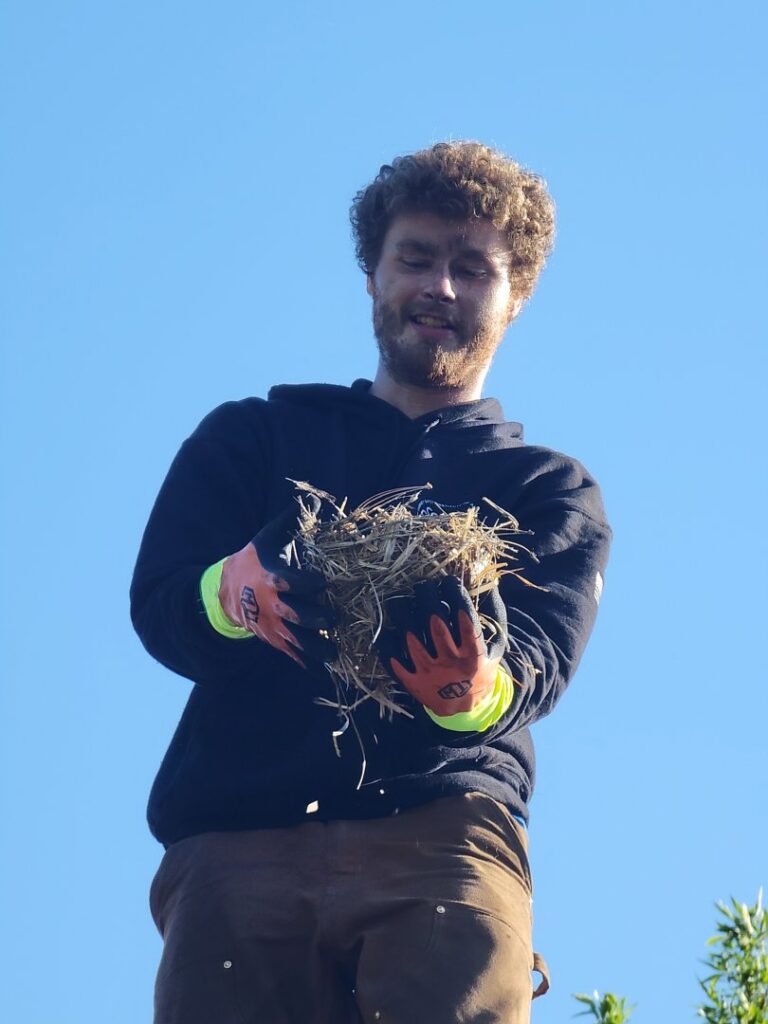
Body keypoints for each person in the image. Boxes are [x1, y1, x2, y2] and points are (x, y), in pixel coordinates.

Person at [131, 141, 612, 1024]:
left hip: (444, 841)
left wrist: (469, 690)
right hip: (238, 845)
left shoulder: (547, 490)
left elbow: (537, 661)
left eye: (474, 269)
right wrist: (232, 595)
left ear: (517, 298)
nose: (441, 288)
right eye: (416, 258)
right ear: (372, 275)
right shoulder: (256, 438)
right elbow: (161, 605)